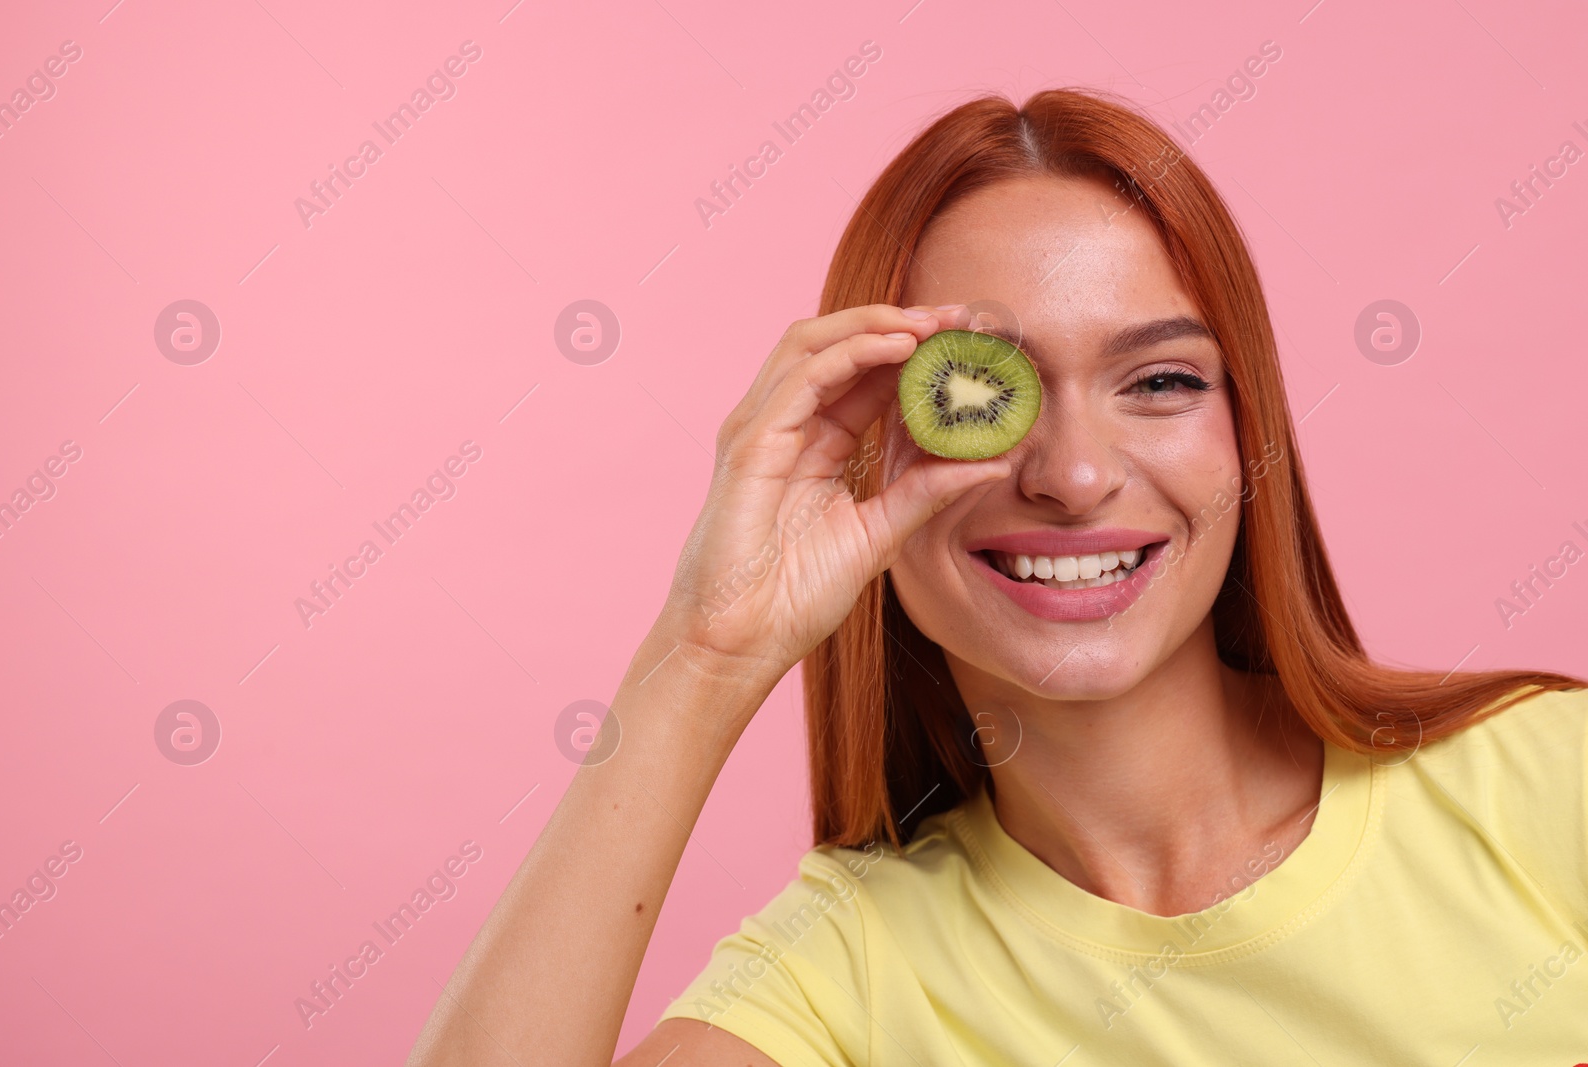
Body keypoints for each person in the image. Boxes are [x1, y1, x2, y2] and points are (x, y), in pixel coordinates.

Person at [406, 89, 1588, 1066]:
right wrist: (704, 654)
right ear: (869, 443)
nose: (1072, 475)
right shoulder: (842, 981)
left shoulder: (1543, 781)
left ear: (1249, 434)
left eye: (1161, 381)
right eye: (984, 393)